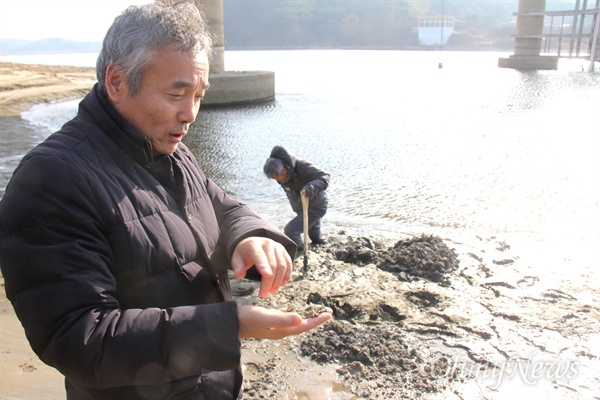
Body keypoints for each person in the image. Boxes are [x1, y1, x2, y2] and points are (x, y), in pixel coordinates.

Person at [0, 3, 331, 399]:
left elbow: (218, 203)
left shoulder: (170, 150)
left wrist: (249, 236)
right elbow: (78, 339)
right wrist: (229, 326)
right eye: (177, 93)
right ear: (117, 82)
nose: (190, 114)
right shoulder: (52, 179)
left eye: (199, 94)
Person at [263, 146, 330, 250]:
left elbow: (325, 177)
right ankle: (322, 246)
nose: (277, 181)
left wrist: (309, 188)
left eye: (277, 178)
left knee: (290, 231)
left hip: (316, 206)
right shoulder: (281, 173)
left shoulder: (303, 167)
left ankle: (301, 251)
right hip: (302, 208)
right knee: (315, 236)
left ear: (284, 170)